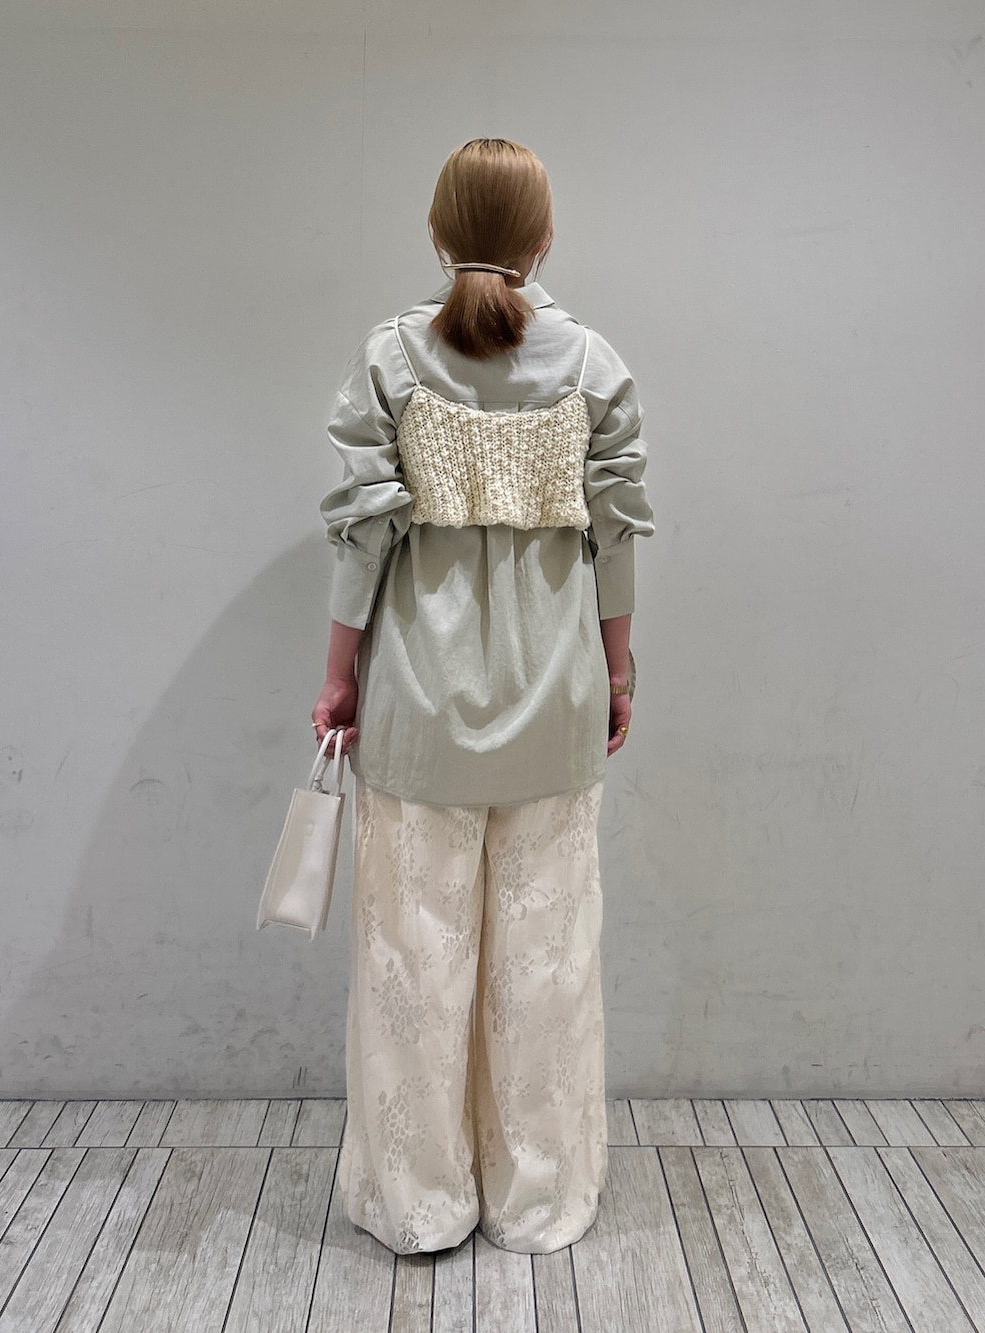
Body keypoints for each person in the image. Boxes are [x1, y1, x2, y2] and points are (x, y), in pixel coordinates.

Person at [311, 137, 654, 1255]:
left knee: (413, 960)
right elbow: (616, 540)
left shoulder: (391, 357)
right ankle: (538, 1199)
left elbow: (361, 539)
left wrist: (339, 678)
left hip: (418, 707)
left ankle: (417, 1203)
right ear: (544, 237)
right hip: (555, 702)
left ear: (437, 229)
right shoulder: (593, 364)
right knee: (545, 962)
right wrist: (617, 670)